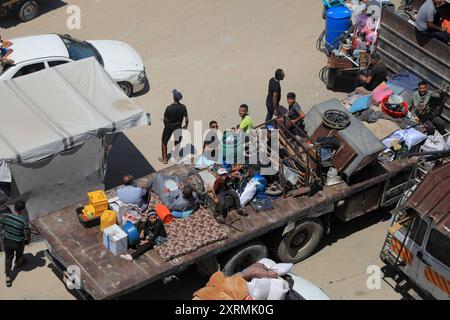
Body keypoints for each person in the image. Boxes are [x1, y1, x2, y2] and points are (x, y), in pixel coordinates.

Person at [0, 200, 30, 287]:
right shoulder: (24, 220)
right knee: (19, 254)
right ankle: (18, 263)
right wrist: (27, 241)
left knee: (8, 258)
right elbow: (26, 233)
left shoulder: (5, 216)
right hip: (18, 242)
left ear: (14, 207)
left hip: (7, 241)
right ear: (23, 210)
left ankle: (8, 277)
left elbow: (2, 225)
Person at [160, 89, 189, 164]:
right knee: (177, 142)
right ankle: (176, 158)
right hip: (178, 127)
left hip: (169, 126)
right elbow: (186, 119)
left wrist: (166, 126)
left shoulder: (169, 108)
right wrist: (185, 126)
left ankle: (164, 158)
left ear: (173, 97)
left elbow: (165, 119)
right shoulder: (183, 107)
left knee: (164, 141)